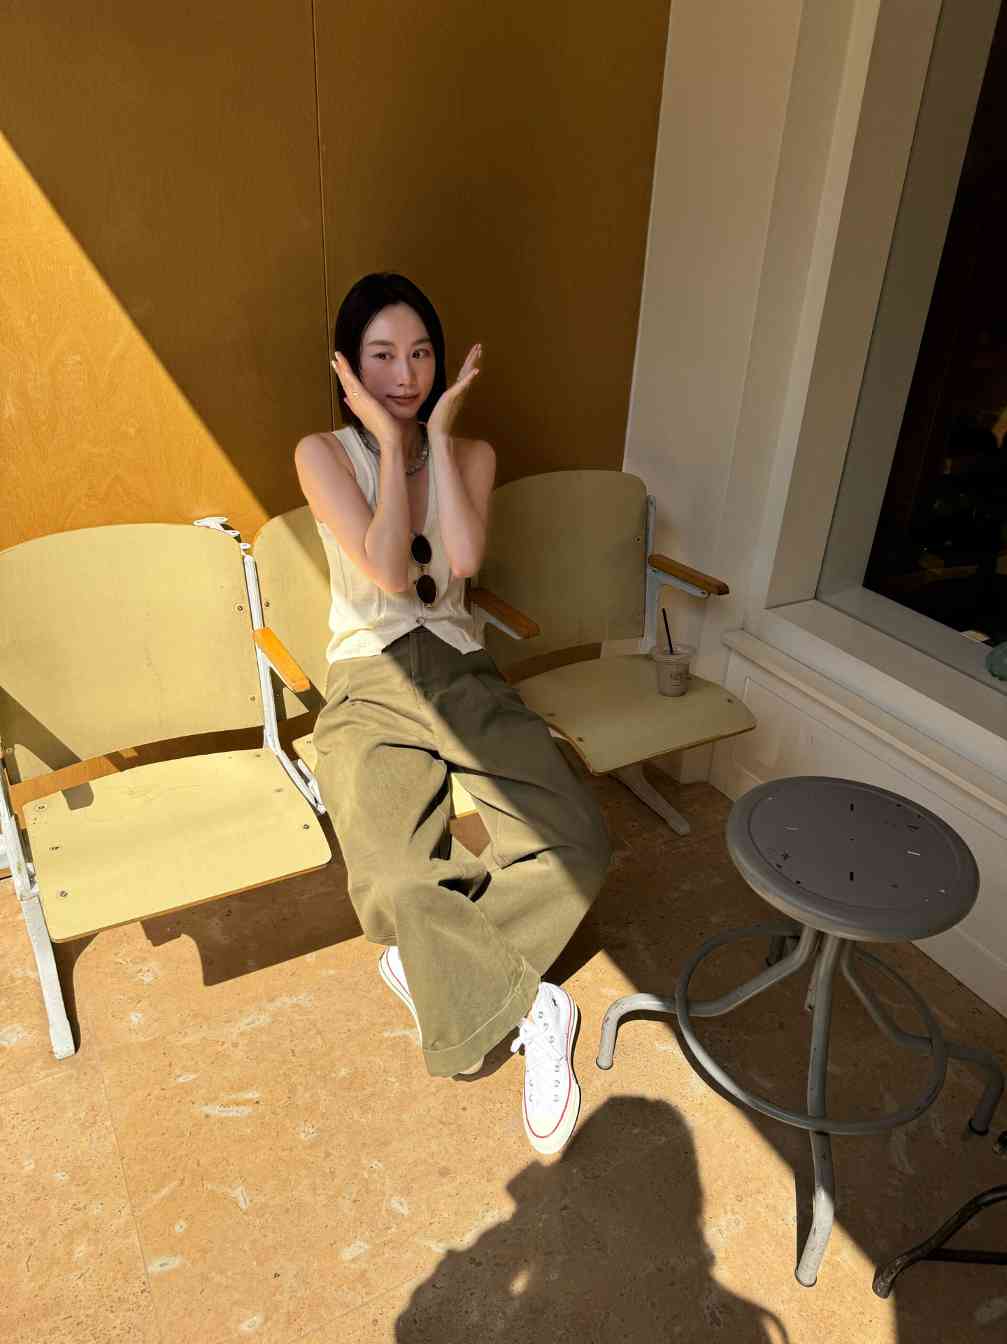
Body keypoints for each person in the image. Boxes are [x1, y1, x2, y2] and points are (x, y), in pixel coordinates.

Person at [294, 272, 611, 1153]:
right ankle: (534, 1003)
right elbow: (391, 572)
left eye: (420, 354)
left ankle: (451, 967)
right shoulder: (321, 454)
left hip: (465, 670)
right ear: (347, 368)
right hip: (370, 675)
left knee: (579, 844)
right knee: (395, 882)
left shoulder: (470, 453)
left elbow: (460, 561)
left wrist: (431, 437)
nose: (404, 374)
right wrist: (387, 444)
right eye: (381, 356)